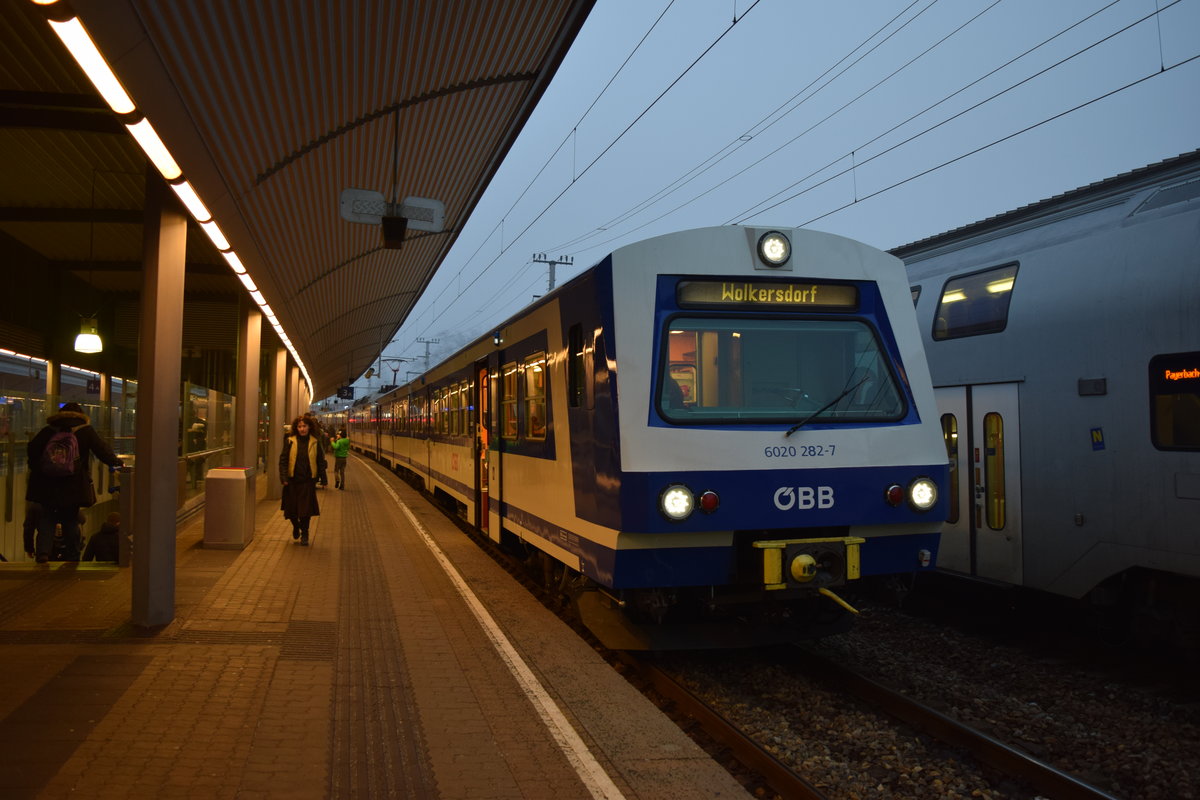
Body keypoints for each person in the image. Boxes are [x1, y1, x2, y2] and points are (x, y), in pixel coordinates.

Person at [26, 402, 121, 564]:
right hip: (73, 485)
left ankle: (43, 554)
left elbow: (32, 449)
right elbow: (102, 451)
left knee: (47, 517)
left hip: (48, 484)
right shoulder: (84, 431)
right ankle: (73, 556)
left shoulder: (49, 430)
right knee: (70, 519)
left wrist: (41, 469)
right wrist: (117, 463)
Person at [279, 416, 327, 545]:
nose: (302, 429)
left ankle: (305, 533)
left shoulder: (315, 442)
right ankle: (296, 526)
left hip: (307, 481)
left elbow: (320, 461)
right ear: (296, 428)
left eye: (304, 426)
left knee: (305, 511)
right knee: (291, 510)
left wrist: (324, 479)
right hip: (292, 481)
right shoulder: (290, 441)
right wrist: (283, 478)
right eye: (299, 426)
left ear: (309, 427)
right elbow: (283, 460)